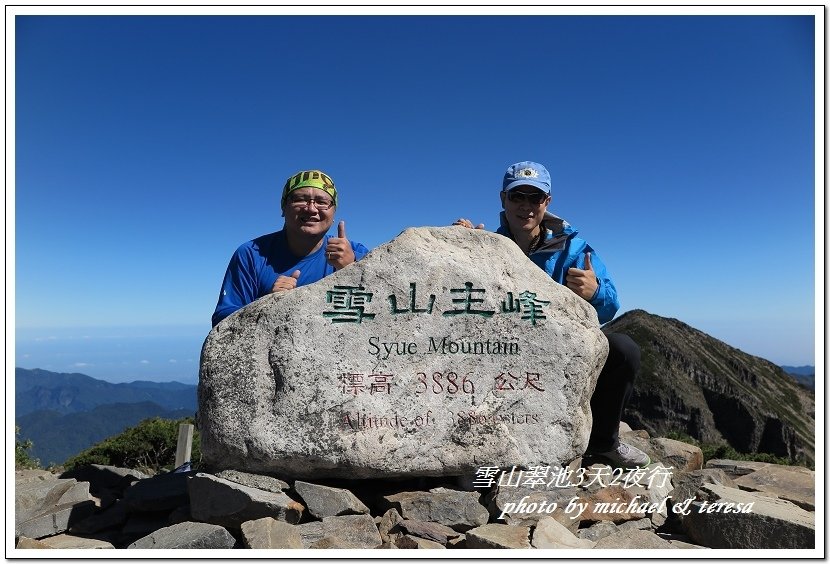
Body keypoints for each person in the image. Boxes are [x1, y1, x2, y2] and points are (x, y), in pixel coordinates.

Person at [454, 160, 649, 468]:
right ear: (503, 199)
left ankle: (603, 443)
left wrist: (595, 292)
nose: (526, 206)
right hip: (503, 349)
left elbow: (611, 306)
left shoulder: (573, 248)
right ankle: (471, 447)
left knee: (624, 349)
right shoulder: (489, 245)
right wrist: (458, 244)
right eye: (518, 196)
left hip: (559, 349)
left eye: (535, 197)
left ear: (547, 201)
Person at [212, 169, 369, 327]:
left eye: (322, 202)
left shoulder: (357, 254)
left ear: (333, 212)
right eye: (300, 199)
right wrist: (267, 304)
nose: (311, 209)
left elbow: (383, 313)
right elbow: (221, 322)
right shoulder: (252, 254)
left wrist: (353, 269)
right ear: (283, 207)